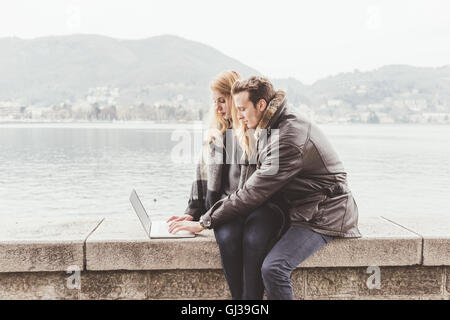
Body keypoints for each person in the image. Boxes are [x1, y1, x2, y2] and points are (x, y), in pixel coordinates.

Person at [170, 75, 362, 300]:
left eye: (241, 108)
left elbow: (254, 191)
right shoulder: (270, 124)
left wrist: (205, 222)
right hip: (304, 209)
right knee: (265, 262)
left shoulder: (287, 138)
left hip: (324, 215)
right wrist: (194, 213)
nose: (238, 115)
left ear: (261, 105)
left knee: (274, 269)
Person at [167, 71, 288, 300]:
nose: (217, 107)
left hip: (261, 206)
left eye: (222, 100)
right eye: (214, 101)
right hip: (224, 207)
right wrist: (192, 214)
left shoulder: (258, 132)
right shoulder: (217, 134)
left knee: (254, 239)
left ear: (236, 99)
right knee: (229, 238)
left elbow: (258, 190)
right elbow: (202, 178)